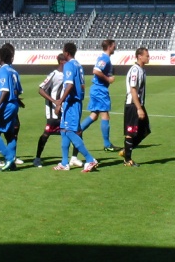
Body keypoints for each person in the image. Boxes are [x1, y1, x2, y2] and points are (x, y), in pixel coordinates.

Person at [53, 42, 99, 172]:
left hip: (72, 102)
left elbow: (70, 85)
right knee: (63, 130)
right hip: (73, 102)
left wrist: (60, 101)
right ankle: (64, 162)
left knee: (70, 131)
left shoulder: (68, 65)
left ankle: (90, 159)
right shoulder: (78, 65)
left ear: (66, 52)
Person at [0, 43, 23, 172]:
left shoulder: (2, 70)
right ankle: (11, 162)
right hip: (14, 105)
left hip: (5, 105)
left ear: (0, 57)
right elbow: (18, 90)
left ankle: (8, 157)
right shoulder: (14, 71)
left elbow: (5, 90)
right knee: (9, 133)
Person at [77, 39, 118, 153]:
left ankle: (76, 133)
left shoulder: (104, 58)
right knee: (105, 115)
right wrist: (108, 79)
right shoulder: (104, 58)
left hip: (97, 89)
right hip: (100, 90)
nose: (115, 47)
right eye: (114, 45)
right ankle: (107, 144)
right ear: (109, 46)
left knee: (94, 116)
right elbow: (96, 70)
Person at [33, 53, 67, 168]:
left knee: (69, 133)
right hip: (53, 112)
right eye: (67, 61)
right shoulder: (54, 74)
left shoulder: (68, 74)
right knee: (46, 134)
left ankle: (70, 159)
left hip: (64, 111)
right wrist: (55, 101)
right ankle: (37, 158)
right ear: (62, 61)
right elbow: (41, 89)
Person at [122, 47, 151, 167]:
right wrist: (139, 108)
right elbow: (133, 90)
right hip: (133, 105)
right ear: (140, 56)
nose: (148, 57)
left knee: (145, 130)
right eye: (147, 55)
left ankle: (126, 151)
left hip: (138, 104)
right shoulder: (135, 70)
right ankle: (127, 159)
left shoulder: (142, 70)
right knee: (130, 132)